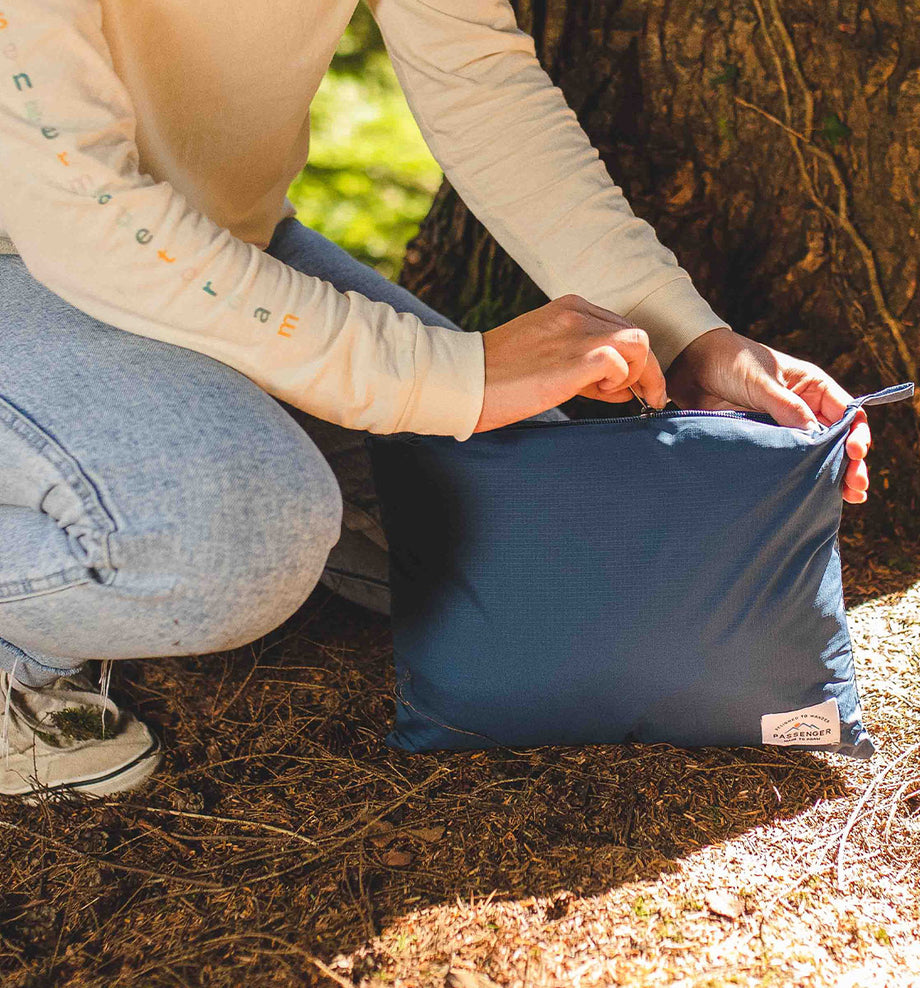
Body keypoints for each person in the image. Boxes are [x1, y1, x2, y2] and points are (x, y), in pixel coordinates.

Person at [0, 0, 871, 799]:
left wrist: (686, 340)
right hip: (31, 247)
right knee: (236, 536)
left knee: (529, 533)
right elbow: (77, 202)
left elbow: (480, 87)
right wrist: (450, 377)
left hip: (215, 242)